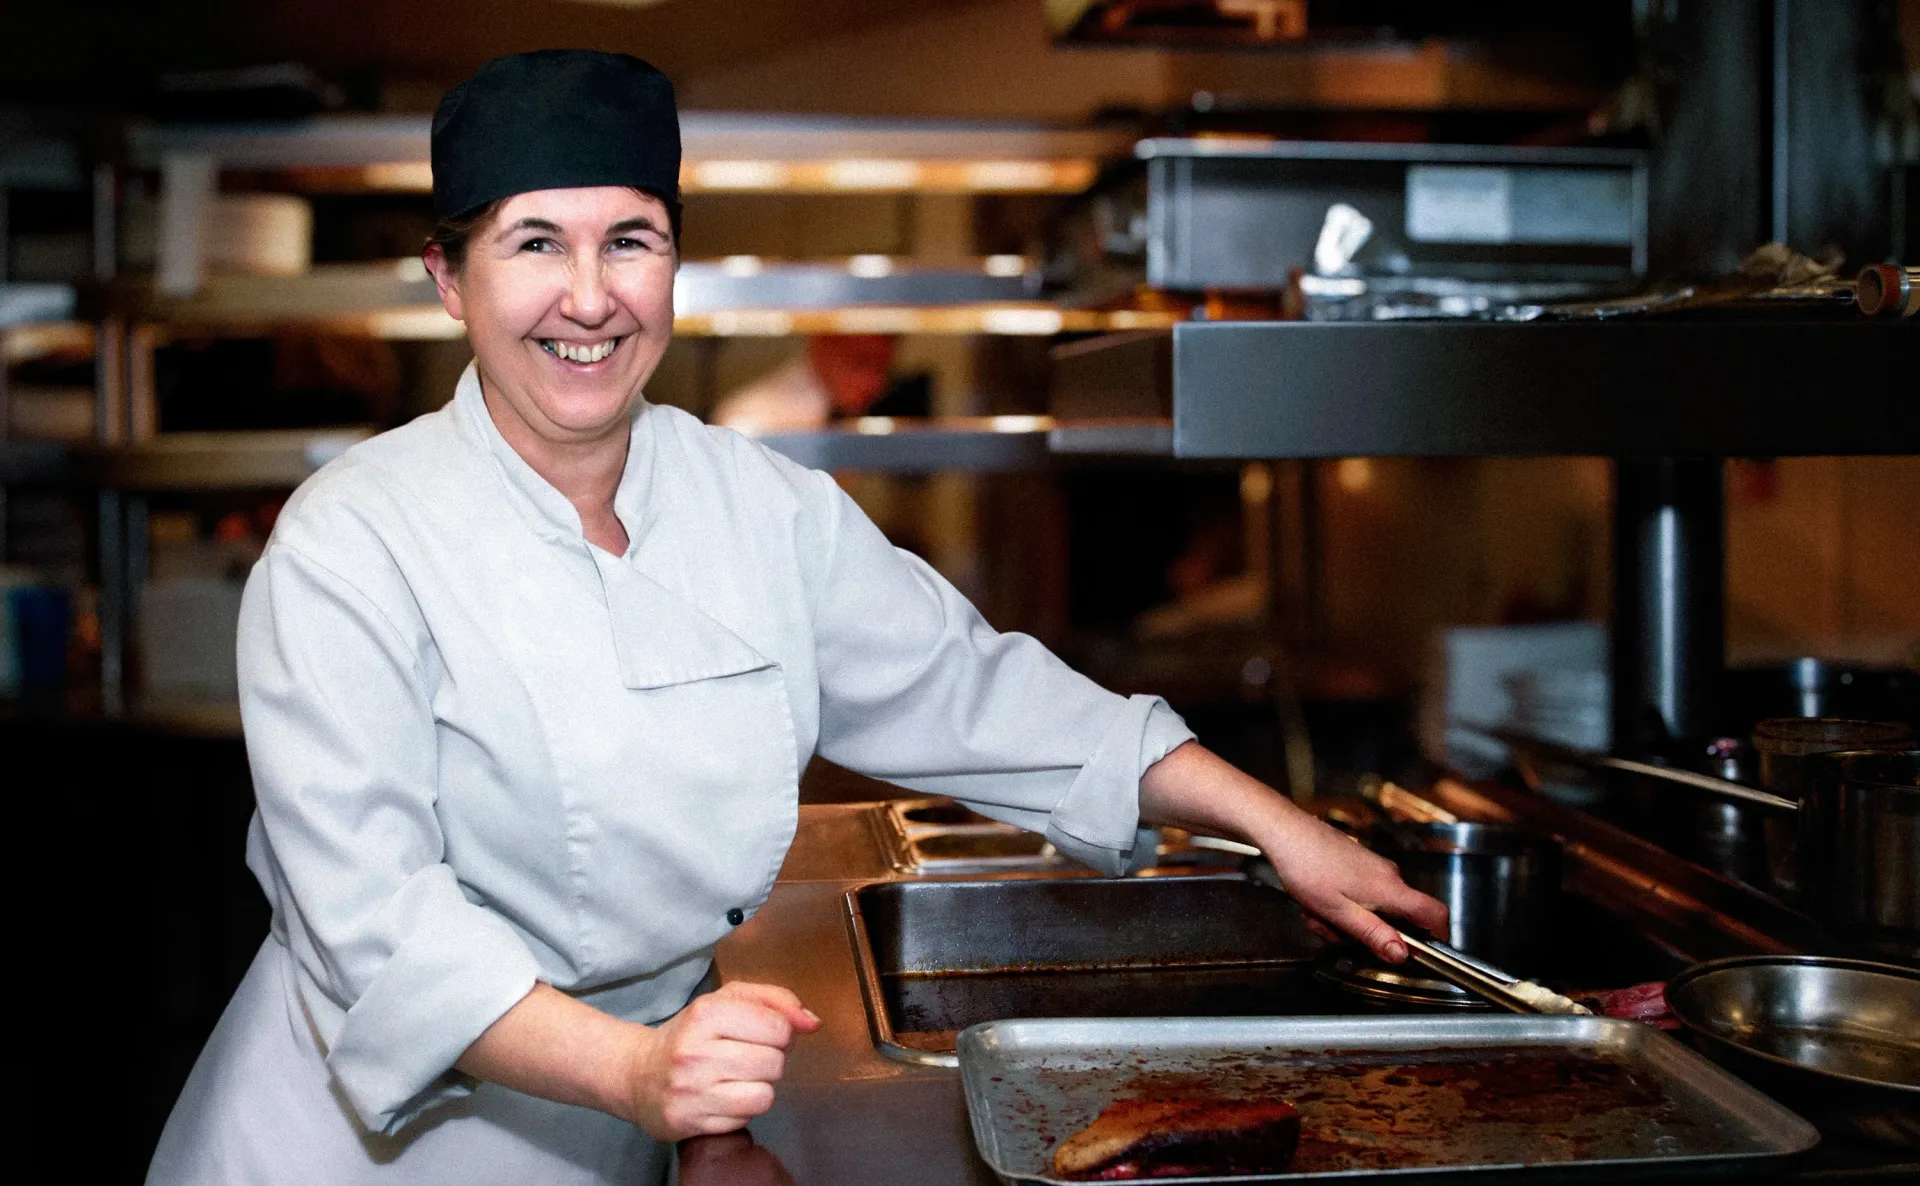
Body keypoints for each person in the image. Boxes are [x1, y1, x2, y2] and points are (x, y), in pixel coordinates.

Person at [147, 49, 1446, 1186]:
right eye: (534, 242)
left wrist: (1281, 826)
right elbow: (376, 928)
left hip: (621, 1120)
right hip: (348, 1147)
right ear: (447, 276)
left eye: (631, 240)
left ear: (674, 264)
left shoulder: (760, 507)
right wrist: (634, 1070)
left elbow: (976, 690)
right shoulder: (352, 539)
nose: (588, 296)